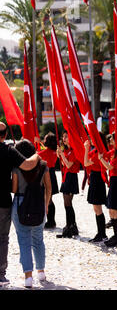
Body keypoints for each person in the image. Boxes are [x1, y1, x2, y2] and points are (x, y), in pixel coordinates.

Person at [0, 122, 40, 286]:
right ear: (5, 135)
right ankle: (0, 275)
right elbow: (28, 164)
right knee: (2, 238)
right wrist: (37, 154)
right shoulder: (9, 150)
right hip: (2, 201)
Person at [11, 139, 52, 288]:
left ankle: (28, 277)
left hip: (20, 204)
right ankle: (41, 271)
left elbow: (14, 190)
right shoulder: (43, 166)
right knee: (38, 240)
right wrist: (46, 205)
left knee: (24, 241)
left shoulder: (16, 167)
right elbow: (49, 188)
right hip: (38, 205)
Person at [98, 133, 117, 248]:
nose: (110, 140)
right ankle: (115, 236)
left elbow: (110, 167)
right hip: (113, 181)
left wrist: (101, 159)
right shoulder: (113, 152)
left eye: (112, 139)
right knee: (111, 210)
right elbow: (104, 154)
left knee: (116, 211)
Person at [83, 135, 108, 243]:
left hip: (97, 179)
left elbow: (86, 162)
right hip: (94, 178)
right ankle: (100, 233)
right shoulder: (95, 151)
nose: (90, 140)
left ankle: (102, 233)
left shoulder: (98, 152)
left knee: (98, 208)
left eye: (92, 138)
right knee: (96, 208)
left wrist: (86, 149)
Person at [56, 131, 81, 239]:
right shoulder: (67, 150)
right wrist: (60, 155)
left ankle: (69, 226)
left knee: (68, 203)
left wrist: (61, 155)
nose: (64, 138)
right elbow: (63, 163)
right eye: (63, 136)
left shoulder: (74, 150)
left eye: (66, 136)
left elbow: (69, 164)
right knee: (67, 204)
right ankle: (72, 226)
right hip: (66, 177)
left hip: (71, 177)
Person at [38, 132, 59, 229]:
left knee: (48, 200)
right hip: (52, 174)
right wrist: (40, 143)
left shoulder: (44, 153)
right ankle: (51, 220)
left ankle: (50, 221)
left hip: (46, 175)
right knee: (50, 199)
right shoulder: (54, 152)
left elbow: (38, 154)